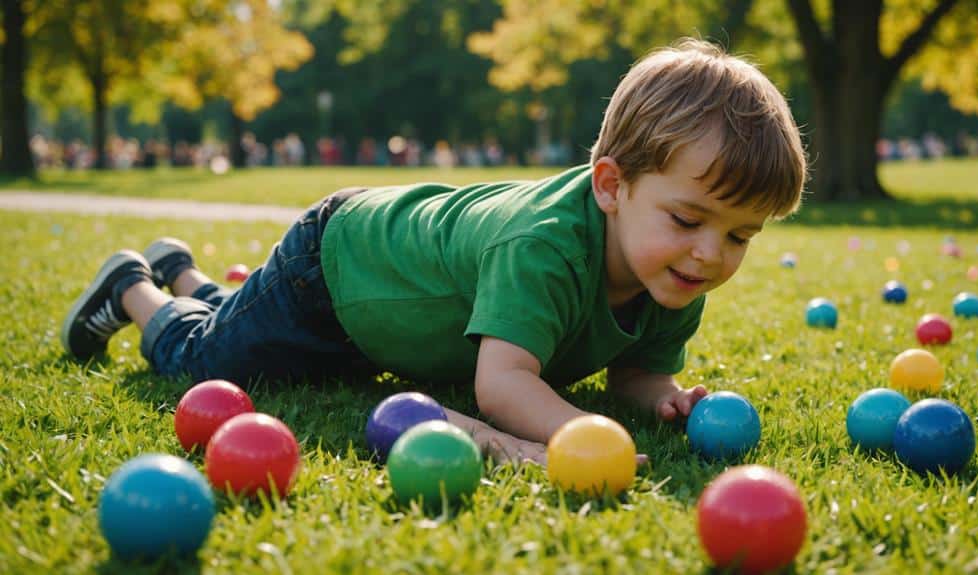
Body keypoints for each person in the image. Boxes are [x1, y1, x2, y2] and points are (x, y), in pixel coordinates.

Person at [61, 39, 806, 464]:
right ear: (611, 185)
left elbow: (637, 369)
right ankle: (135, 285)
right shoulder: (544, 244)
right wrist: (582, 437)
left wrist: (662, 398)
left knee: (248, 328)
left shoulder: (672, 266)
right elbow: (502, 385)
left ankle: (181, 269)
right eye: (690, 219)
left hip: (382, 307)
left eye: (740, 234)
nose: (712, 253)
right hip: (337, 269)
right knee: (209, 359)